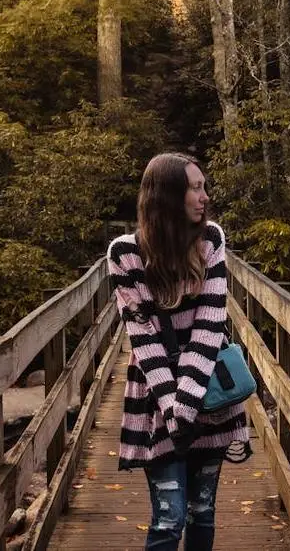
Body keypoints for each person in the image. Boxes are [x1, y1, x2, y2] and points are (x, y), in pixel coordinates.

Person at [106, 152, 251, 551]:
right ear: (168, 195)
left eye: (204, 186)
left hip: (210, 392)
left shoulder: (211, 241)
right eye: (195, 187)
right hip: (156, 400)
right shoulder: (124, 254)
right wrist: (174, 409)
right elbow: (144, 339)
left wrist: (187, 405)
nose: (205, 197)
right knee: (168, 519)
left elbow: (209, 326)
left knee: (201, 513)